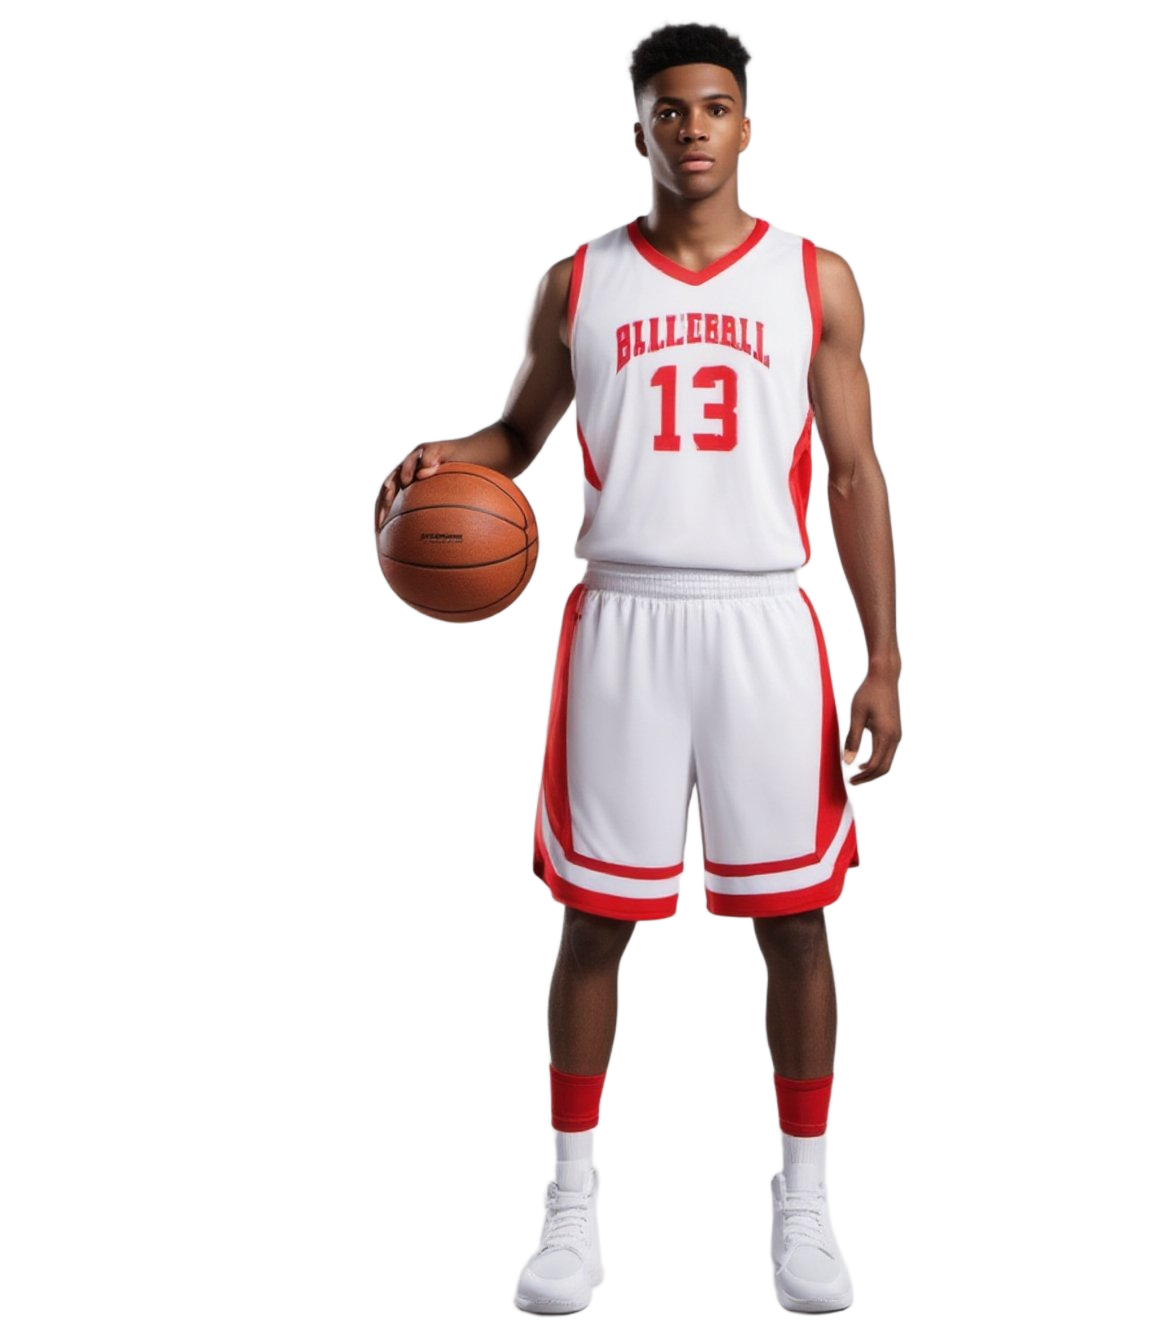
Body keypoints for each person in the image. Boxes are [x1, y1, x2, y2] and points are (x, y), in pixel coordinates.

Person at [374, 17, 902, 1316]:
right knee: (594, 920)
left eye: (714, 106)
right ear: (639, 129)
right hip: (621, 617)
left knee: (795, 919)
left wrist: (885, 657)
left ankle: (805, 1203)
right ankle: (570, 1206)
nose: (693, 128)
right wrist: (446, 459)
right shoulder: (579, 282)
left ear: (747, 124)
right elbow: (518, 433)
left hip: (764, 619)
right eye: (670, 110)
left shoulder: (816, 278)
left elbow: (853, 473)